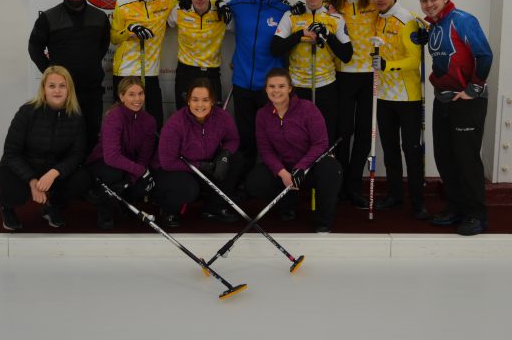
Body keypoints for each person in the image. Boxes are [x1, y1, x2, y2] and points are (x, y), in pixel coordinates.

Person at [412, 0, 492, 236]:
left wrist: (473, 89)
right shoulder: (434, 25)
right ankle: (456, 207)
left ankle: (476, 215)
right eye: (424, 0)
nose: (429, 4)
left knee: (466, 159)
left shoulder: (462, 19)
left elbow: (484, 55)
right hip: (443, 99)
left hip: (466, 100)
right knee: (445, 157)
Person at [245, 68, 342, 233]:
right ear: (266, 89)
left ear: (290, 88)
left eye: (281, 86)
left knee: (332, 170)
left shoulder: (308, 108)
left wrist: (301, 167)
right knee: (255, 181)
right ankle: (286, 205)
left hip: (309, 167)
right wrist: (283, 173)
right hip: (284, 168)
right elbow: (265, 150)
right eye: (272, 86)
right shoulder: (262, 114)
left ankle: (323, 220)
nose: (276, 91)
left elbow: (320, 143)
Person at [227, 0, 301, 173]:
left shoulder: (283, 10)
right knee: (246, 137)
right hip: (242, 83)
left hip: (271, 88)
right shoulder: (238, 3)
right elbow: (211, 8)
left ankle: (274, 179)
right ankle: (245, 180)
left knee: (273, 138)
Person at [0, 66, 89, 231]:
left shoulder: (76, 116)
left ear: (69, 89)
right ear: (44, 89)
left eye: (62, 86)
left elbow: (77, 154)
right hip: (23, 167)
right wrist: (32, 181)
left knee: (83, 178)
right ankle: (7, 207)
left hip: (51, 169)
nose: (57, 91)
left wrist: (54, 173)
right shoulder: (27, 112)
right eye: (52, 86)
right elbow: (11, 153)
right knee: (14, 190)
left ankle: (52, 207)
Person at [28, 0, 110, 151]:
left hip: (92, 91)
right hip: (62, 92)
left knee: (91, 136)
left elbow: (103, 46)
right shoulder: (48, 18)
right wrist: (52, 75)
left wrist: (89, 65)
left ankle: (88, 169)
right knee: (62, 139)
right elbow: (34, 48)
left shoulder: (100, 17)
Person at [369, 0, 427, 219]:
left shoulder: (407, 19)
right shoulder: (375, 17)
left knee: (412, 150)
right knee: (390, 150)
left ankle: (418, 202)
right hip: (383, 96)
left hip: (407, 97)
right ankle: (395, 196)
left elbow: (415, 60)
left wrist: (387, 65)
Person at [272, 0, 352, 142]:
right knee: (296, 138)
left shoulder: (335, 18)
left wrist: (328, 35)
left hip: (326, 87)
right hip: (297, 87)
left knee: (326, 137)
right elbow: (275, 48)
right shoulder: (291, 15)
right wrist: (300, 34)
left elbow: (347, 55)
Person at [156, 78, 244, 228]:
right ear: (188, 100)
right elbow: (167, 162)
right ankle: (169, 210)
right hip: (179, 170)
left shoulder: (222, 117)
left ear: (212, 101)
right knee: (188, 188)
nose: (200, 105)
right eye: (195, 100)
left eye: (205, 100)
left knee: (236, 159)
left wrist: (224, 155)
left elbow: (233, 139)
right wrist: (200, 166)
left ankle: (214, 208)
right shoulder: (175, 124)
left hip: (207, 166)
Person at [328, 0, 378, 208]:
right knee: (343, 132)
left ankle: (353, 186)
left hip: (369, 76)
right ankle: (339, 185)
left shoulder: (373, 5)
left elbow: (397, 15)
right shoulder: (334, 6)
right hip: (344, 75)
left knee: (364, 134)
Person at [109, 0, 177, 129]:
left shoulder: (166, 1)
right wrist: (131, 30)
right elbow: (114, 38)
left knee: (155, 121)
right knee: (122, 123)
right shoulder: (122, 3)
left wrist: (217, 3)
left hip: (150, 72)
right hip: (124, 71)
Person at [84, 77, 158, 230]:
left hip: (128, 165)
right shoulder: (114, 117)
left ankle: (124, 203)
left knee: (142, 183)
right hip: (103, 163)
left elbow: (144, 156)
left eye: (140, 93)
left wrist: (132, 178)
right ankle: (104, 211)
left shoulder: (149, 121)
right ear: (122, 96)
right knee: (115, 174)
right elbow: (111, 157)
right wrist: (139, 171)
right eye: (131, 94)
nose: (137, 99)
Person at [167, 0, 231, 107]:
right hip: (185, 71)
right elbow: (160, 19)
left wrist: (222, 3)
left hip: (211, 72)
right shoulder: (179, 10)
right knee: (184, 114)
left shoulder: (221, 12)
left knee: (213, 116)